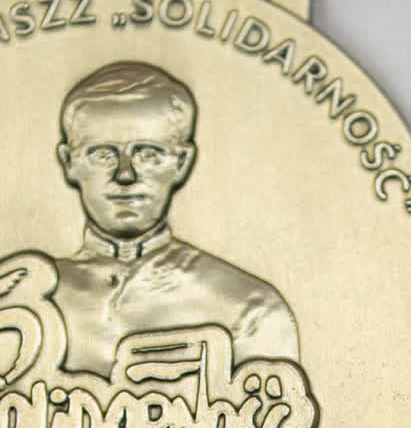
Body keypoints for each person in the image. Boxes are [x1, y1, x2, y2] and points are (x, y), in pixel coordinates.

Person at [50, 61, 298, 376]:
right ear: (69, 162)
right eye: (103, 155)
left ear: (181, 162)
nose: (125, 175)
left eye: (148, 154)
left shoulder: (248, 306)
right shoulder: (25, 304)